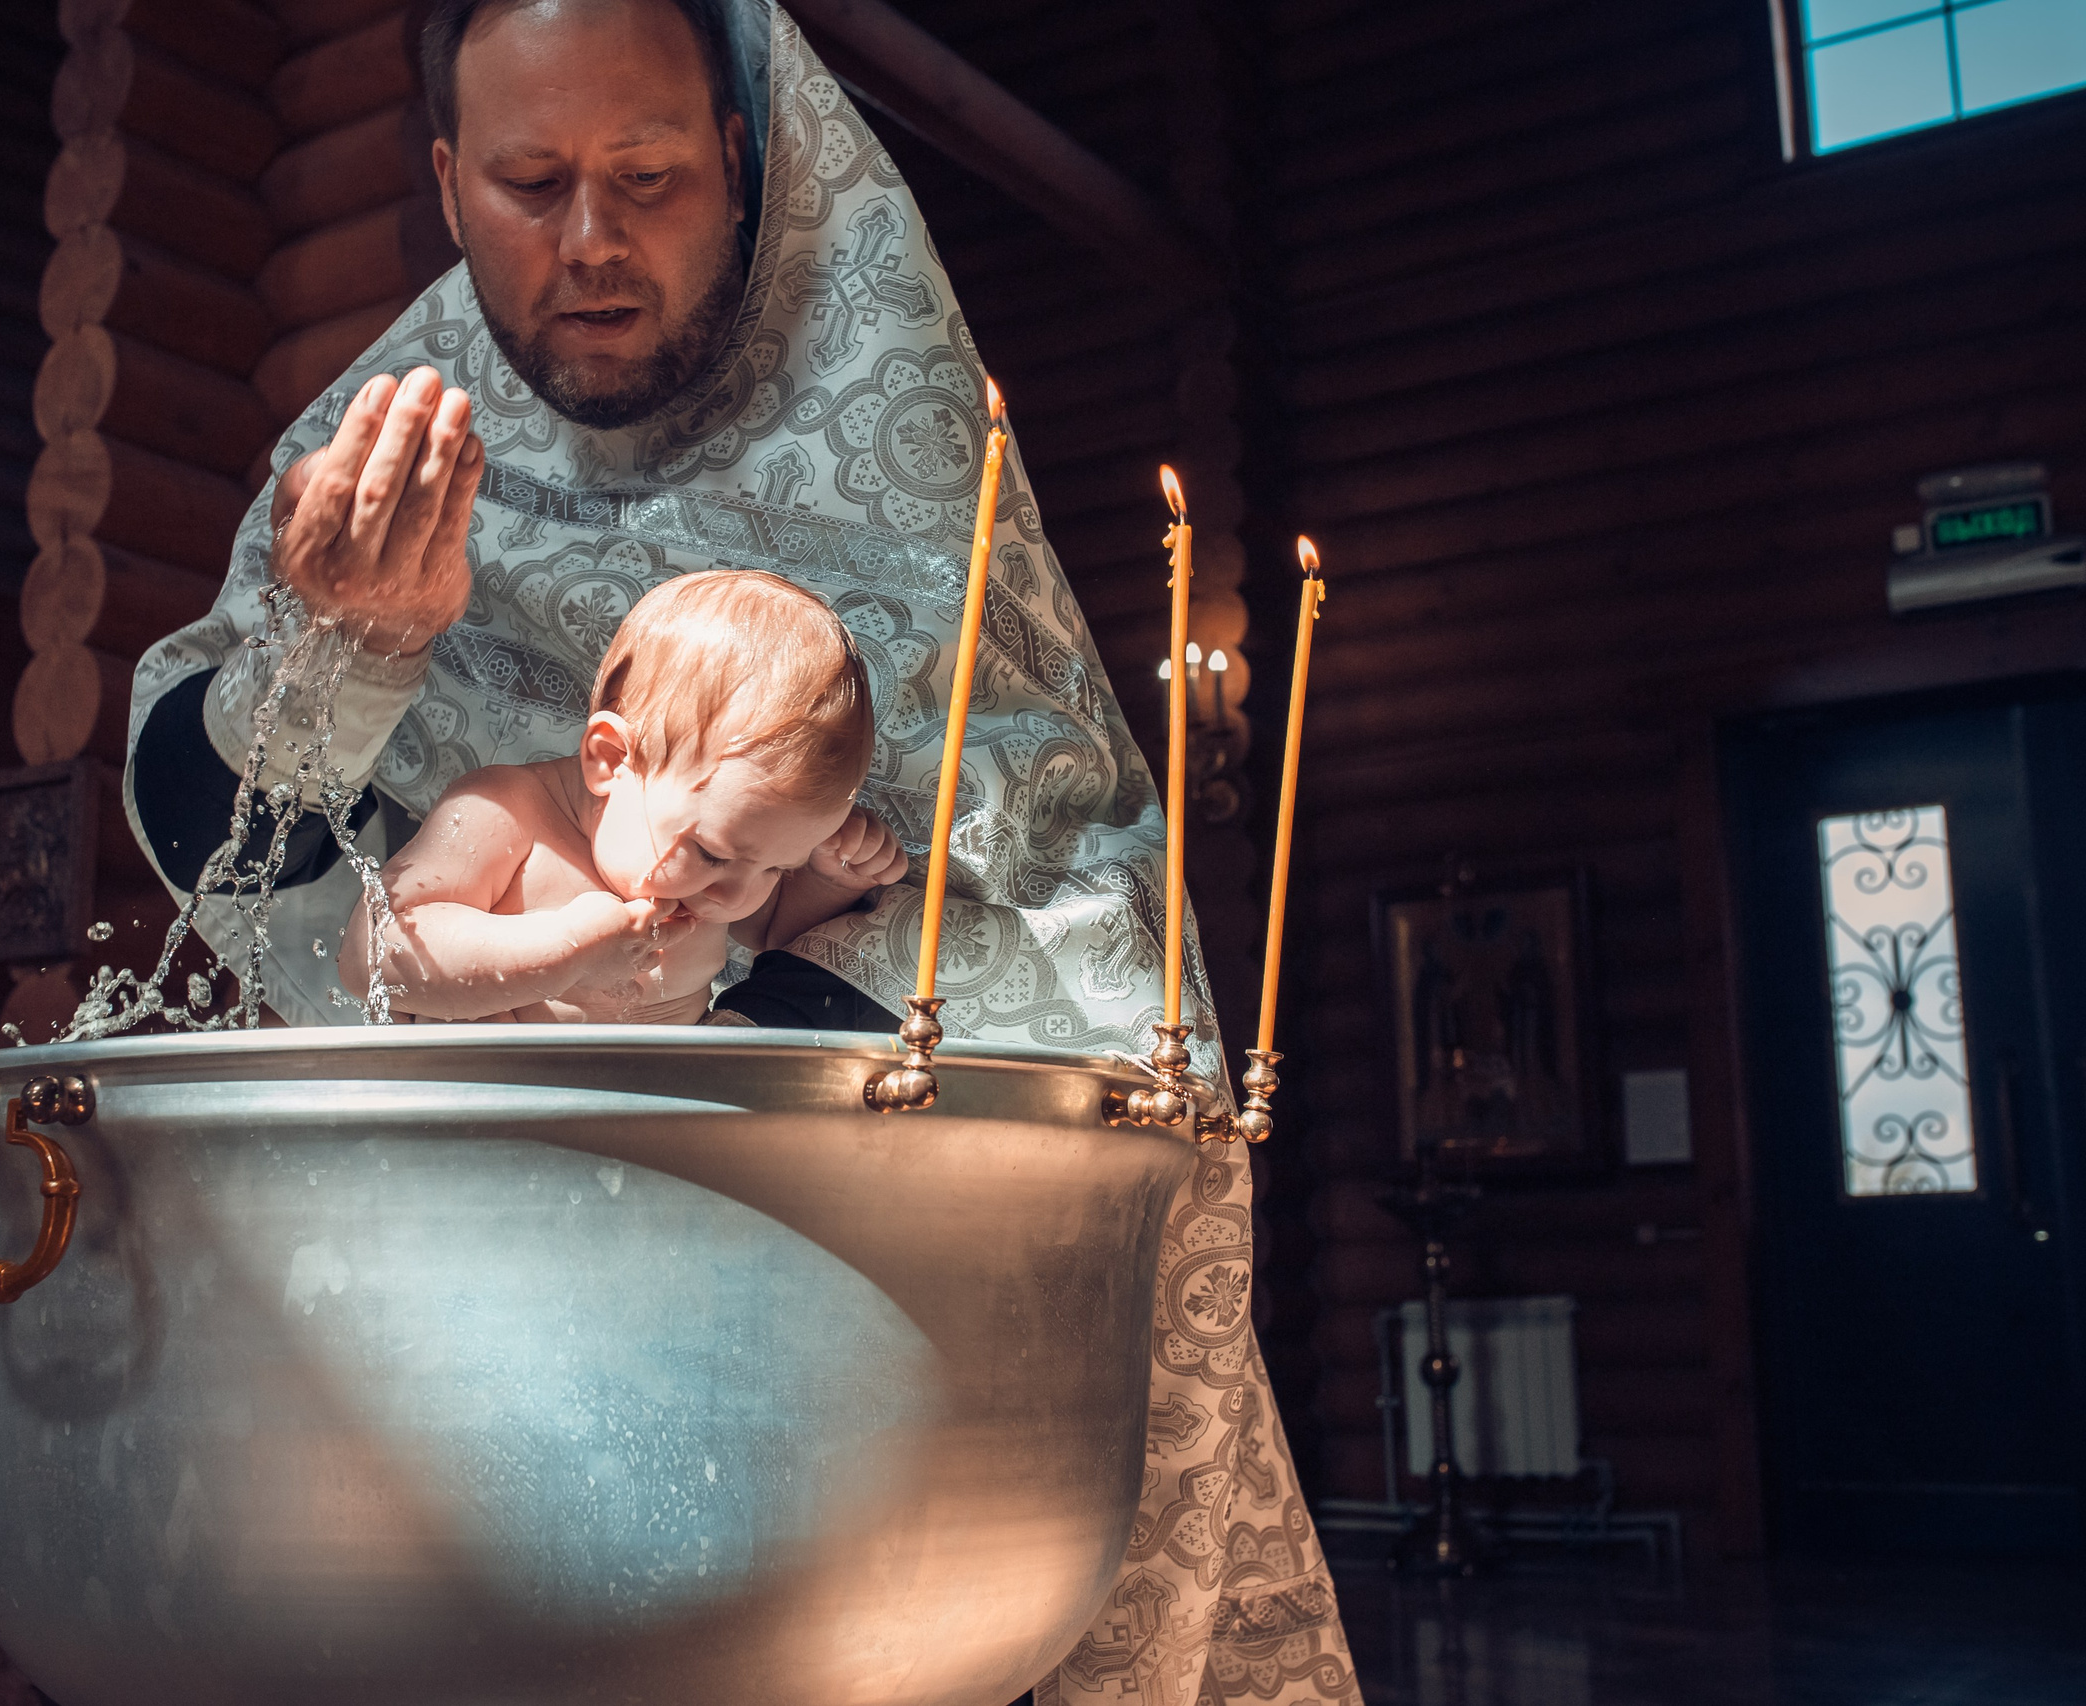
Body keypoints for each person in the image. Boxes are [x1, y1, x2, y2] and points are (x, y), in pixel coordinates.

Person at [123, 2, 1358, 1701]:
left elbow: (1073, 928)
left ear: (742, 158)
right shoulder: (378, 456)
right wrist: (350, 655)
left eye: (646, 175)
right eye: (529, 182)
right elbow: (266, 846)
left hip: (860, 1336)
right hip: (465, 1338)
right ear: (443, 179)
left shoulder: (896, 430)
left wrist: (742, 984)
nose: (591, 243)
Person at [336, 568, 906, 1022]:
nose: (735, 898)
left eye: (778, 870)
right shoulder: (505, 814)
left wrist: (830, 882)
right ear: (609, 759)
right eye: (712, 853)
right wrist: (562, 951)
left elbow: (778, 938)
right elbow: (371, 951)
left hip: (647, 1118)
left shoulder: (715, 884)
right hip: (490, 1112)